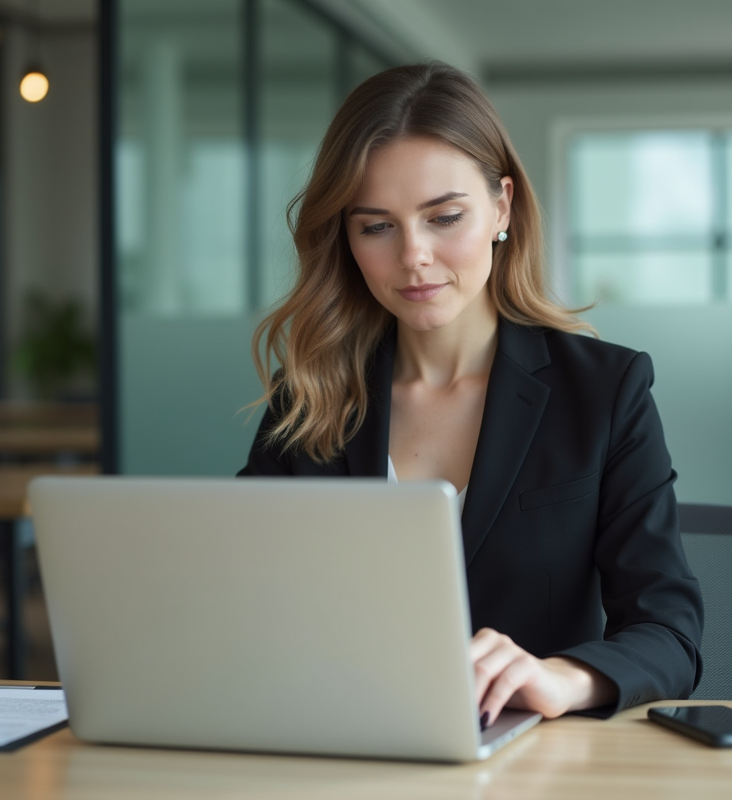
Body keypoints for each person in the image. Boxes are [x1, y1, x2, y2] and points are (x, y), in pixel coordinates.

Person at [238, 62, 703, 723]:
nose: (414, 256)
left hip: (535, 763)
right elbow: (238, 602)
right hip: (342, 746)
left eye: (444, 217)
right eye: (376, 226)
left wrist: (559, 678)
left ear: (501, 207)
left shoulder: (604, 392)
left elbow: (671, 633)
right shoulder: (309, 398)